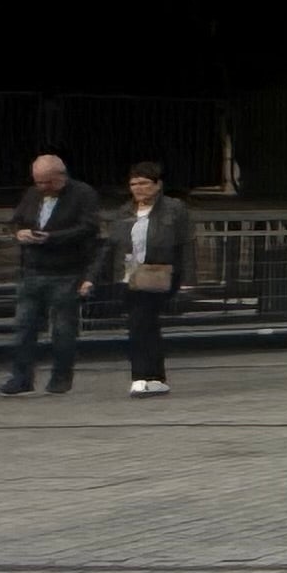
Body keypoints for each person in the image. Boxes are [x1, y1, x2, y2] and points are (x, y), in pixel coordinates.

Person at [0, 152, 102, 397]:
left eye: (48, 182)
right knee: (24, 327)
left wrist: (52, 238)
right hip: (32, 271)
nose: (43, 187)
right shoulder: (33, 194)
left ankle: (61, 376)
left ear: (61, 177)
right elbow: (16, 220)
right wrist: (20, 233)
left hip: (65, 271)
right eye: (39, 182)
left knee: (63, 329)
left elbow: (89, 228)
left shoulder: (83, 194)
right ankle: (21, 377)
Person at [104, 163, 194, 397]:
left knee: (140, 323)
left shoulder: (174, 209)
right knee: (146, 325)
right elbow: (112, 246)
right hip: (130, 274)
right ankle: (154, 376)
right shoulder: (125, 212)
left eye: (144, 183)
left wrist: (187, 278)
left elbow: (185, 244)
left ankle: (141, 375)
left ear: (158, 184)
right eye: (134, 184)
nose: (139, 188)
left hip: (158, 273)